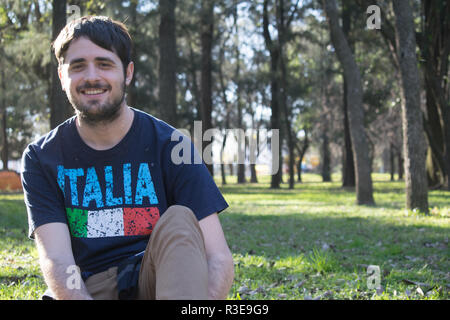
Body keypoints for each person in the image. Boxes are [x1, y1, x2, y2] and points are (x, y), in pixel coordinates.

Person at [20, 15, 234, 300]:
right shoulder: (41, 157)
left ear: (128, 73)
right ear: (62, 76)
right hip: (88, 289)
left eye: (105, 64)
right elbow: (58, 261)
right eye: (78, 66)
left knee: (180, 218)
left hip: (159, 282)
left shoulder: (173, 146)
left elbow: (217, 257)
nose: (92, 77)